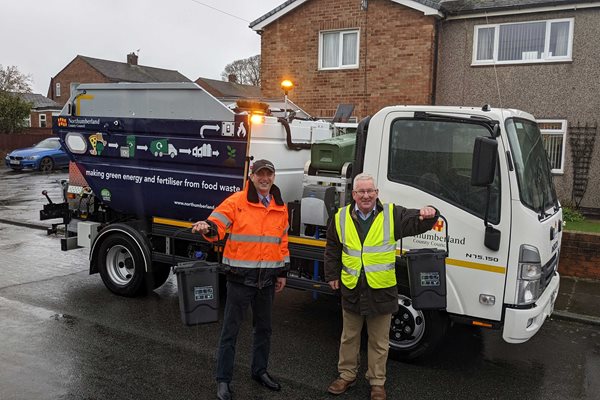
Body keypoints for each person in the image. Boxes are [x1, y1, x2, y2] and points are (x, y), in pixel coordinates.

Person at [324, 173, 438, 400]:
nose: (366, 196)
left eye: (370, 191)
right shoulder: (340, 217)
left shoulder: (393, 215)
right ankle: (346, 375)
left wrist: (430, 212)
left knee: (379, 341)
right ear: (354, 195)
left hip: (381, 291)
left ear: (377, 193)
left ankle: (377, 382)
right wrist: (331, 275)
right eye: (361, 192)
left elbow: (418, 222)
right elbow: (332, 248)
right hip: (352, 289)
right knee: (349, 337)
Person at [192, 159, 289, 400]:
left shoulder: (280, 206)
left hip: (266, 279)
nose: (265, 178)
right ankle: (223, 380)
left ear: (274, 177)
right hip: (240, 278)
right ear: (252, 177)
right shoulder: (237, 201)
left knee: (264, 330)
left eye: (269, 174)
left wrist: (282, 272)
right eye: (260, 174)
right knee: (230, 332)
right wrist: (207, 228)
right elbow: (217, 224)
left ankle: (260, 371)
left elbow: (283, 242)